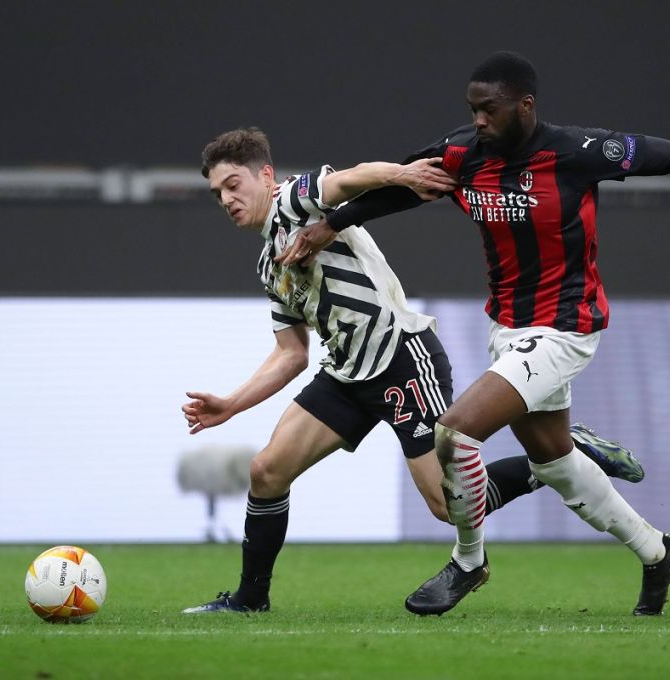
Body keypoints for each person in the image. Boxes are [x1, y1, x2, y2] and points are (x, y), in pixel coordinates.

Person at [276, 51, 670, 617]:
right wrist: (329, 225)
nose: (479, 120)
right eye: (473, 109)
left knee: (454, 434)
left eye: (490, 109)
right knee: (555, 463)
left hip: (566, 326)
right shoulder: (463, 152)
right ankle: (658, 553)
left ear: (525, 106)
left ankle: (468, 562)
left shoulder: (576, 152)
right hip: (508, 328)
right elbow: (404, 189)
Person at [180, 126, 645, 614]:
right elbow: (291, 353)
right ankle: (251, 599)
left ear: (265, 175)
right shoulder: (268, 263)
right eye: (217, 194)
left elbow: (351, 178)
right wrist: (231, 404)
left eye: (234, 184)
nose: (226, 199)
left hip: (401, 358)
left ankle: (560, 457)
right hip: (344, 374)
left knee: (450, 507)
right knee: (266, 471)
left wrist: (403, 174)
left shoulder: (295, 199)